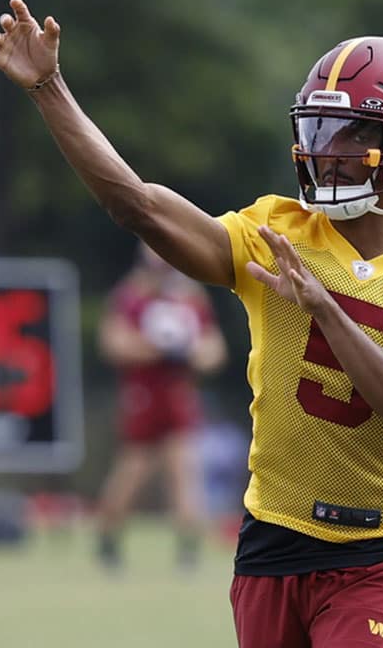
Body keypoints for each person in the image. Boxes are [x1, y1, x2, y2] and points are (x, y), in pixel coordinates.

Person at [0, 0, 383, 647]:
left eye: (348, 135)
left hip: (376, 550)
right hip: (272, 538)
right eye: (317, 131)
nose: (322, 152)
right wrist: (49, 90)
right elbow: (139, 208)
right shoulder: (277, 230)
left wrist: (326, 311)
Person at [95, 240, 227, 572]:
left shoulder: (190, 297)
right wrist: (156, 349)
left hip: (178, 394)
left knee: (184, 472)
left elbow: (213, 350)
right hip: (143, 395)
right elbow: (113, 343)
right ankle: (108, 540)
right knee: (132, 472)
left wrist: (192, 352)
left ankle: (188, 551)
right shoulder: (132, 295)